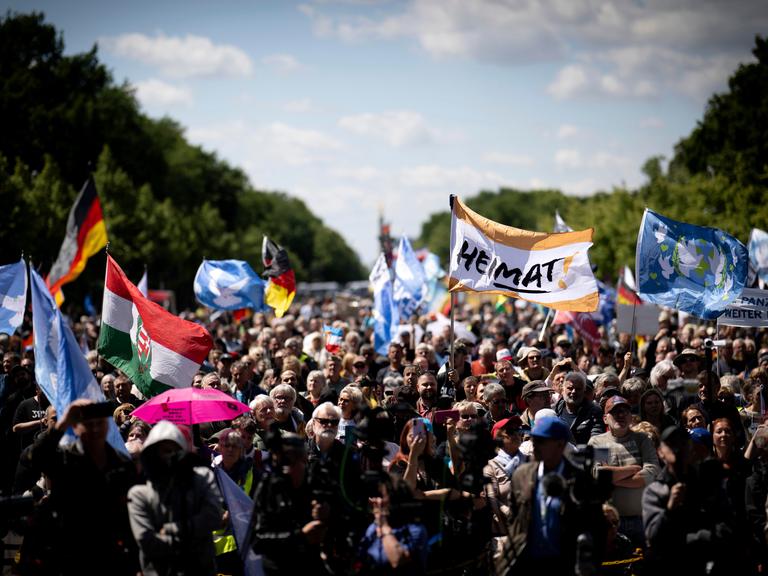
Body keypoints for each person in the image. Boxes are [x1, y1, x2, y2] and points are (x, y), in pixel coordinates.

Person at [27, 399, 139, 574]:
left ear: (108, 426)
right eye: (88, 424)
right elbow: (35, 458)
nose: (94, 428)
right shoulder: (64, 459)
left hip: (110, 553)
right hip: (69, 550)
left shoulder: (121, 464)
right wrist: (61, 425)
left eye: (99, 423)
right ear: (76, 427)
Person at [508, 415, 606, 573]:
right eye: (534, 440)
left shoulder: (580, 480)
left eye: (541, 440)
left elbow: (597, 528)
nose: (534, 445)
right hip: (527, 564)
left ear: (560, 444)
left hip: (565, 565)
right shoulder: (521, 475)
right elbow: (514, 517)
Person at [643, 426, 745, 574]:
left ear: (691, 449)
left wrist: (701, 538)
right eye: (671, 444)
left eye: (683, 442)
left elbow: (727, 523)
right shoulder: (655, 491)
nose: (678, 448)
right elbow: (653, 538)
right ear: (660, 452)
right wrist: (670, 509)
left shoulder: (707, 484)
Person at [127, 420, 223, 576]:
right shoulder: (140, 494)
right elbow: (148, 541)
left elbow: (214, 517)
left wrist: (170, 529)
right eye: (164, 451)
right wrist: (195, 541)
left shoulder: (202, 479)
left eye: (174, 451)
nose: (170, 456)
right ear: (152, 456)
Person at [588, 396, 660, 547]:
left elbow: (652, 472)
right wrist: (634, 469)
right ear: (605, 418)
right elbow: (599, 475)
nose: (621, 415)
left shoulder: (642, 439)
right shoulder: (598, 442)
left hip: (643, 519)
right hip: (612, 523)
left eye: (625, 411)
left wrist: (614, 478)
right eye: (615, 412)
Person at [358, 479, 429, 575]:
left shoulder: (415, 529)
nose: (376, 500)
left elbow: (397, 560)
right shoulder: (373, 527)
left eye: (381, 496)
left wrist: (383, 525)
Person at [554, 371, 604, 444]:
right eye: (570, 388)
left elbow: (596, 438)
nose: (574, 392)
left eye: (578, 389)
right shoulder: (554, 410)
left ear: (584, 391)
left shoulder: (594, 411)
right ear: (562, 390)